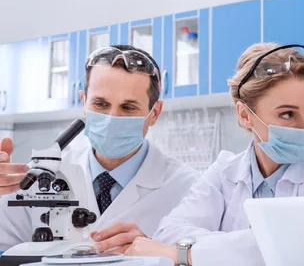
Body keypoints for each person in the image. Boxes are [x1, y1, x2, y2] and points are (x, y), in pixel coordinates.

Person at [124, 43, 304, 266]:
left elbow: (298, 242)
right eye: (287, 114)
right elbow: (168, 232)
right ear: (245, 115)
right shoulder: (223, 172)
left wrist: (184, 253)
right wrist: (251, 246)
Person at [0, 45, 198, 253]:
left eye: (128, 107)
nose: (112, 117)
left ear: (155, 113)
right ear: (84, 103)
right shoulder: (37, 178)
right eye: (101, 104)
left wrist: (159, 252)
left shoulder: (189, 188)